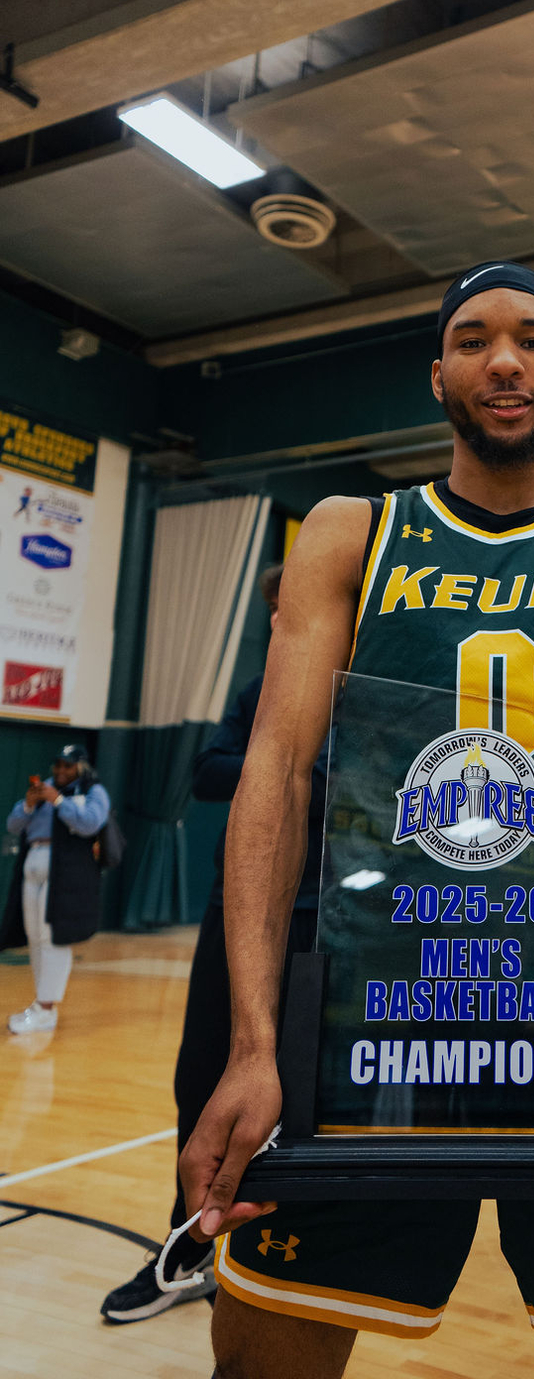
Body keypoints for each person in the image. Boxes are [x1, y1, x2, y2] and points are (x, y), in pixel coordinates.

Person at [181, 260, 534, 1379]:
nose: (505, 357)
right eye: (475, 338)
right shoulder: (355, 533)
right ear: (437, 372)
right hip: (369, 1019)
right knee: (263, 1354)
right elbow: (276, 772)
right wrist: (252, 1044)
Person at [101, 564, 329, 1323]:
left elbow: (356, 780)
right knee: (200, 1076)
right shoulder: (257, 690)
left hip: (326, 919)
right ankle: (187, 1243)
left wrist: (300, 769)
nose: (276, 618)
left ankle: (288, 1254)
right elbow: (207, 772)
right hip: (235, 910)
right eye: (269, 607)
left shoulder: (357, 685)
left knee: (309, 1097)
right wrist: (283, 765)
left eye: (285, 604)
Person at [2, 743, 110, 1033]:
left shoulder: (92, 791)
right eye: (58, 764)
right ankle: (41, 1004)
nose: (61, 770)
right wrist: (28, 805)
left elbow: (90, 823)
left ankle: (47, 1006)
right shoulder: (44, 788)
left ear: (81, 767)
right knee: (35, 935)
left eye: (68, 765)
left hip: (66, 868)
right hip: (34, 860)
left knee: (54, 936)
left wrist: (59, 802)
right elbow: (13, 825)